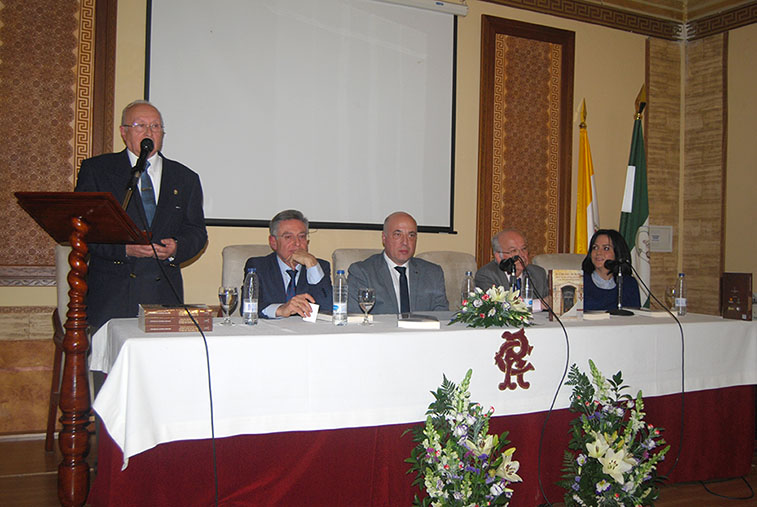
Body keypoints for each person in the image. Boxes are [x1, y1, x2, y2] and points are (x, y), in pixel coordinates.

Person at [75, 100, 208, 332]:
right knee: (111, 367)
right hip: (112, 293)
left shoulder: (185, 177)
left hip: (162, 292)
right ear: (124, 132)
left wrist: (176, 248)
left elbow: (197, 232)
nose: (149, 132)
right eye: (140, 125)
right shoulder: (98, 171)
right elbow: (83, 229)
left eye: (156, 126)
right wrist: (123, 249)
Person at [347, 211, 448, 315]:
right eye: (397, 234)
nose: (405, 242)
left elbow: (442, 317)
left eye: (411, 235)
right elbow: (357, 319)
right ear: (384, 238)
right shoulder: (362, 272)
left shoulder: (433, 273)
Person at [244, 209, 332, 318]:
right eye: (288, 237)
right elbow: (247, 307)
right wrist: (281, 309)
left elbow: (328, 308)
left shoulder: (319, 267)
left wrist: (312, 264)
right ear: (273, 242)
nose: (297, 243)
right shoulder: (258, 266)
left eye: (302, 236)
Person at [474, 229, 549, 298]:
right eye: (513, 251)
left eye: (524, 249)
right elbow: (498, 307)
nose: (521, 255)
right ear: (498, 256)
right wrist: (539, 305)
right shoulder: (486, 275)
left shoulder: (538, 273)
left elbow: (549, 302)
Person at [582, 229, 641, 311]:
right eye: (595, 247)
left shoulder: (629, 284)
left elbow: (635, 317)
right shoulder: (580, 282)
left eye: (606, 248)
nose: (598, 252)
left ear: (617, 253)